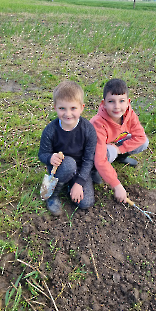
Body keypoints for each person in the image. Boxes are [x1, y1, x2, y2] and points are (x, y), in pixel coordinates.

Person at [38, 80, 97, 216]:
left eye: (73, 108)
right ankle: (52, 195)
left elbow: (89, 159)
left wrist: (79, 183)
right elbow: (42, 154)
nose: (68, 114)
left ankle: (71, 183)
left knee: (86, 203)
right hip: (59, 168)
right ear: (55, 107)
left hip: (81, 169)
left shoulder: (88, 130)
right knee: (69, 164)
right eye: (62, 108)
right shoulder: (50, 130)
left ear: (82, 107)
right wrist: (49, 157)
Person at [90, 78, 149, 203]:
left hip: (115, 143)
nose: (117, 107)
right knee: (107, 153)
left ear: (128, 102)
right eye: (111, 101)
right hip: (95, 150)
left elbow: (140, 137)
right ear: (103, 103)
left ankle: (120, 157)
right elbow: (100, 158)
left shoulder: (129, 114)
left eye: (121, 101)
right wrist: (116, 185)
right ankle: (93, 170)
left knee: (144, 142)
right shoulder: (98, 123)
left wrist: (120, 149)